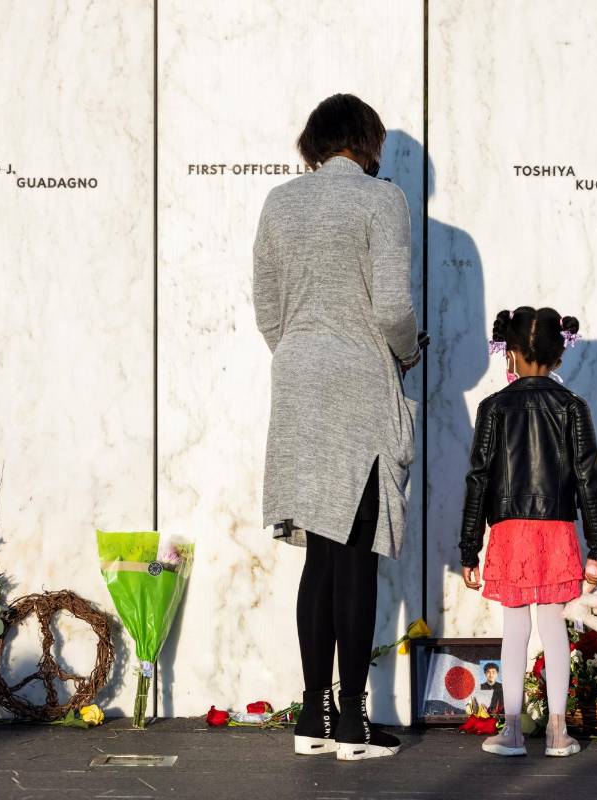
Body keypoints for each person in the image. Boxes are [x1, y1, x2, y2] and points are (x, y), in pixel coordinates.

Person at [253, 93, 421, 761]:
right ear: (366, 141)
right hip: (358, 382)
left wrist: (303, 350)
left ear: (315, 142)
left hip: (298, 383)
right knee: (355, 553)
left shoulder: (279, 203)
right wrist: (405, 352)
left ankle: (311, 715)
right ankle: (353, 721)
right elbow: (393, 308)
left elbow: (267, 310)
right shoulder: (382, 200)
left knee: (321, 555)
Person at [459, 306, 597, 757]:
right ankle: (558, 731)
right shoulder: (573, 407)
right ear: (557, 355)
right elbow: (589, 479)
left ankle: (511, 730)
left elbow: (478, 480)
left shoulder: (493, 407)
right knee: (553, 625)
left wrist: (469, 548)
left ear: (510, 353)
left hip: (510, 532)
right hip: (557, 529)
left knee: (515, 628)